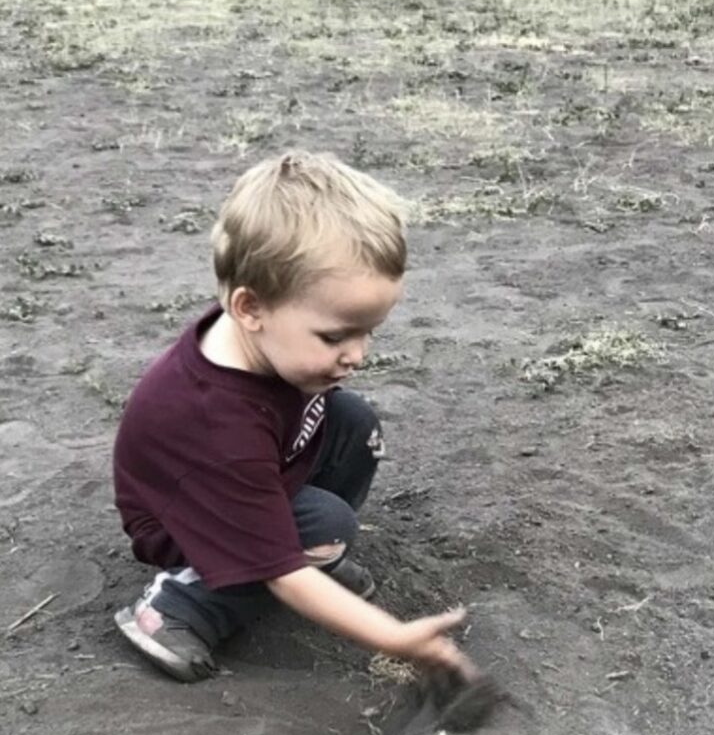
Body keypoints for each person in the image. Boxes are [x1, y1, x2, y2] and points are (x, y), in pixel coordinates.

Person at [113, 151, 477, 685]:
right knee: (328, 527)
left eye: (366, 331)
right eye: (335, 337)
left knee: (352, 424)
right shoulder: (218, 424)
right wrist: (391, 636)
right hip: (180, 518)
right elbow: (282, 575)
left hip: (257, 471)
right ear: (250, 308)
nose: (357, 354)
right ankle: (178, 604)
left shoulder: (263, 340)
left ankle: (300, 549)